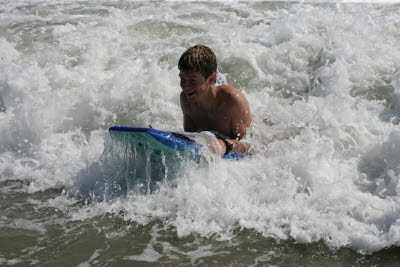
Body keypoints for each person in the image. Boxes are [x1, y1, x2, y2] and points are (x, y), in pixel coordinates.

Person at [178, 45, 252, 156]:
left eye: (192, 80)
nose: (185, 86)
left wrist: (225, 145)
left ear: (211, 79)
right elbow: (190, 139)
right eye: (182, 79)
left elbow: (250, 145)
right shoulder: (186, 99)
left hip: (267, 137)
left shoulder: (232, 100)